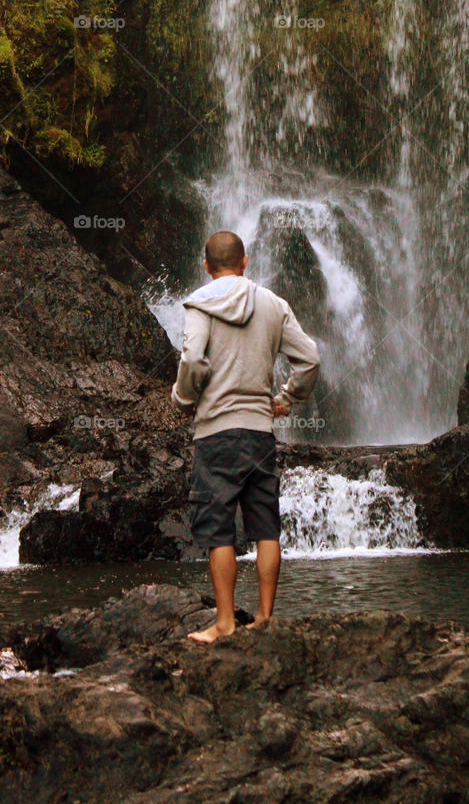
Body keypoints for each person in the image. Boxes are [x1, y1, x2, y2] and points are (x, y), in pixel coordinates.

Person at [171, 230, 320, 642]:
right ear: (245, 261)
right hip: (259, 432)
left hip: (215, 432)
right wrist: (286, 398)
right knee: (265, 525)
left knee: (218, 528)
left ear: (205, 265)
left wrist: (183, 398)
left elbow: (194, 360)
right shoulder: (273, 304)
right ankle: (266, 617)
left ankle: (223, 623)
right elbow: (309, 358)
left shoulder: (199, 304)